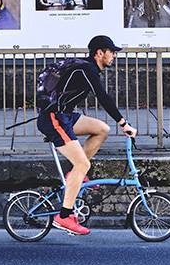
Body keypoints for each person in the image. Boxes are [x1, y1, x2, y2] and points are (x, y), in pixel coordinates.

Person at [36, 35, 137, 235]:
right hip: (53, 118)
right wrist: (124, 124)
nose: (114, 56)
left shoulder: (87, 68)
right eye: (112, 52)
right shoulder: (87, 69)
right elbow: (103, 97)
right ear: (100, 53)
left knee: (102, 129)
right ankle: (64, 216)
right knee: (83, 164)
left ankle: (75, 175)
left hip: (64, 116)